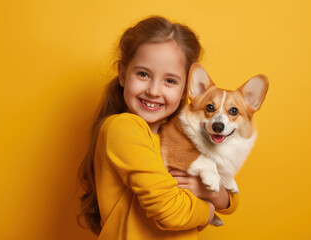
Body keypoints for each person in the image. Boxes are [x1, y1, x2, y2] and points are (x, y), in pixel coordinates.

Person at [78, 16, 239, 239]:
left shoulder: (177, 137)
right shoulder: (124, 128)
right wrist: (208, 210)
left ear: (186, 89)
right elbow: (169, 211)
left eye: (170, 81)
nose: (154, 90)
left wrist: (209, 191)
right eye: (143, 74)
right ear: (123, 74)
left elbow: (230, 196)